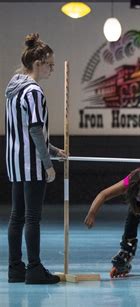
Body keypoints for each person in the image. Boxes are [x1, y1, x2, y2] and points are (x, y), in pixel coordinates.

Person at [6, 33, 66, 284]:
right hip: (31, 164)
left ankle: (15, 268)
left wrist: (54, 150)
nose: (52, 69)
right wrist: (48, 165)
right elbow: (34, 130)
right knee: (32, 218)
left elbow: (28, 130)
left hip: (15, 162)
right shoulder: (33, 92)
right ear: (38, 62)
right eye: (50, 64)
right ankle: (34, 268)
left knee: (16, 216)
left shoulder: (13, 86)